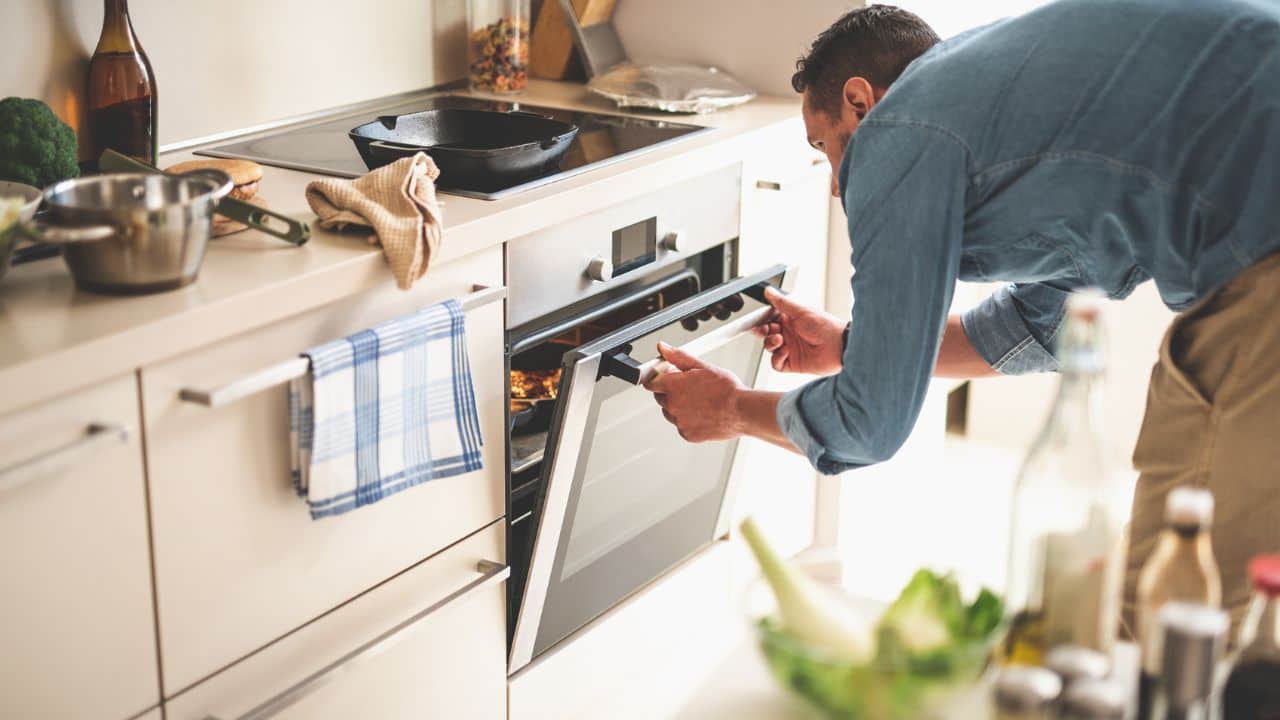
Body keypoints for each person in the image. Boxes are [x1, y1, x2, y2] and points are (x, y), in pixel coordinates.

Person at [644, 0, 1280, 630]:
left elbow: (870, 424)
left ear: (861, 103)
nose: (838, 183)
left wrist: (730, 409)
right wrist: (848, 344)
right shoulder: (1011, 109)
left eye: (826, 146)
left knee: (1169, 608)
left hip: (1262, 253)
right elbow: (1042, 329)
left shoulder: (899, 130)